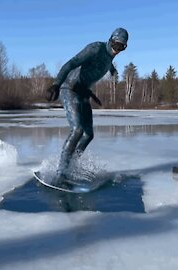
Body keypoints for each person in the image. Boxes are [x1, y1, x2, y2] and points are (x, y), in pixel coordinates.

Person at [46, 27, 128, 184]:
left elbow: (105, 63)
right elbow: (71, 63)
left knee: (88, 135)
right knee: (77, 129)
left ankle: (72, 165)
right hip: (69, 88)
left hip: (83, 93)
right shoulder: (95, 48)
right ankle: (61, 172)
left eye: (122, 47)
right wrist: (56, 84)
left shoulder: (110, 57)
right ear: (110, 39)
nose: (117, 50)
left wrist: (112, 70)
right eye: (116, 45)